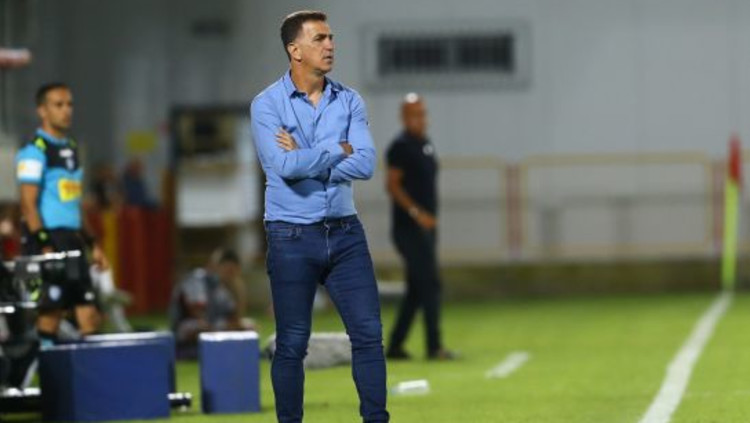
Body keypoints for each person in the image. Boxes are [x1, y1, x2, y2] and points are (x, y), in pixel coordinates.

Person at [250, 10, 389, 423]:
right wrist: (336, 150)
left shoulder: (349, 100)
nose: (330, 45)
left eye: (331, 38)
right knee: (292, 343)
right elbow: (283, 166)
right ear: (295, 50)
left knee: (368, 336)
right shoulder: (266, 105)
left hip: (346, 234)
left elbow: (365, 164)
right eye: (320, 39)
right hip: (291, 236)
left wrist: (308, 156)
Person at [15, 82, 108, 348]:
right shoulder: (35, 150)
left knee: (89, 316)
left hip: (72, 240)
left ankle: (88, 374)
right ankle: (45, 371)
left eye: (69, 104)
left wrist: (92, 243)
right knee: (50, 316)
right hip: (48, 239)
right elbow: (27, 204)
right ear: (42, 111)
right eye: (58, 105)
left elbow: (74, 203)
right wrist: (44, 244)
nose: (66, 110)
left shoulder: (71, 148)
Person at [384, 93, 455, 361]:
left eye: (423, 114)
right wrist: (416, 213)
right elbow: (392, 185)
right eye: (414, 114)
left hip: (427, 227)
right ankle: (434, 346)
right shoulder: (400, 147)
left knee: (416, 289)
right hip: (408, 228)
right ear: (404, 117)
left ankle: (395, 346)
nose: (420, 119)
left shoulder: (425, 144)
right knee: (430, 284)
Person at [169, 249, 255, 358]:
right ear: (218, 266)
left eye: (233, 272)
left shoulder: (222, 288)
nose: (230, 275)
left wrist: (239, 291)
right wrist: (221, 330)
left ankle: (221, 349)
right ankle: (217, 349)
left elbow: (235, 318)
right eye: (228, 270)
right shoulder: (197, 278)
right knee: (200, 327)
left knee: (249, 326)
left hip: (212, 325)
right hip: (188, 326)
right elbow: (197, 313)